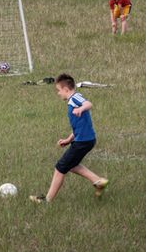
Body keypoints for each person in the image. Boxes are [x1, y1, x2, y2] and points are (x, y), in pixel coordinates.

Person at [29, 73, 109, 203]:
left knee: (60, 168)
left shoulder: (74, 99)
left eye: (58, 90)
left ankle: (47, 200)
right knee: (71, 165)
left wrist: (81, 108)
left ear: (66, 90)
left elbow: (89, 104)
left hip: (83, 142)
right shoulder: (73, 100)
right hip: (85, 140)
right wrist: (68, 139)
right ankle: (98, 181)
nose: (58, 93)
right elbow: (78, 126)